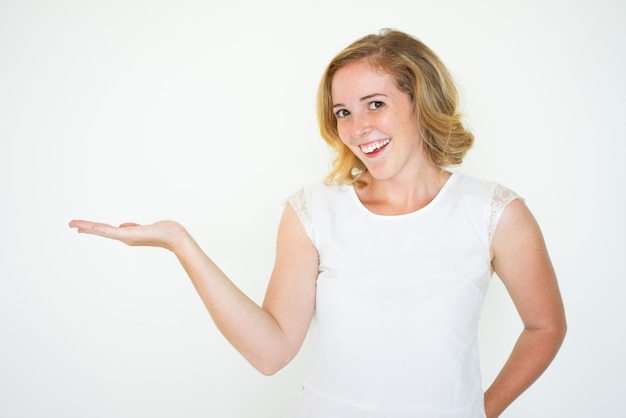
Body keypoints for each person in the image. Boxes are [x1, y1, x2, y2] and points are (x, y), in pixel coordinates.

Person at [69, 29, 566, 418]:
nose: (358, 128)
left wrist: (480, 410)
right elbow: (271, 352)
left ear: (421, 101)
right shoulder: (313, 211)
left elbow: (545, 326)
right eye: (343, 112)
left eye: (376, 104)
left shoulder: (495, 212)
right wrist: (179, 242)